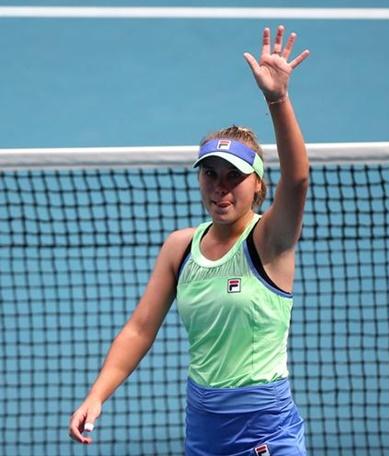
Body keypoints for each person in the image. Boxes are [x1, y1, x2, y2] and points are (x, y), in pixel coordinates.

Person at [69, 25, 311, 456]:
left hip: (264, 431)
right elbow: (140, 328)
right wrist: (97, 394)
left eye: (234, 177)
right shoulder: (180, 248)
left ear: (257, 186)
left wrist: (277, 98)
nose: (221, 188)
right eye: (210, 174)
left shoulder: (269, 240)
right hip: (202, 427)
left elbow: (297, 178)